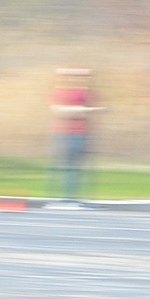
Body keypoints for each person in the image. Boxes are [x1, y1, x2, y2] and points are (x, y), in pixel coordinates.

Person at [49, 68, 102, 202]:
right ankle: (61, 197)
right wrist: (84, 110)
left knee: (76, 167)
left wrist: (83, 111)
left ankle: (71, 197)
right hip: (62, 133)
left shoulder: (88, 93)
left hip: (81, 133)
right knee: (63, 166)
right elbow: (57, 111)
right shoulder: (57, 92)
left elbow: (98, 109)